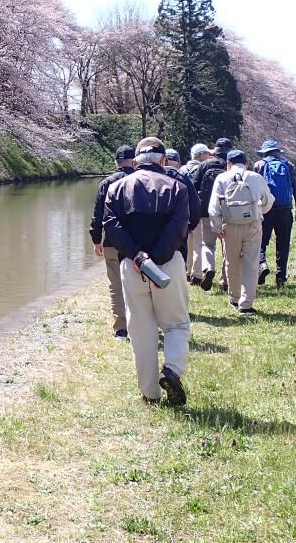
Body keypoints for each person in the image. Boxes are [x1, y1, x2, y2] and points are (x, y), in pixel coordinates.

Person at [103, 137, 191, 405]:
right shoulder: (177, 187)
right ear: (164, 161)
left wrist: (139, 258)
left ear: (135, 162)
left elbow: (112, 226)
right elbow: (179, 229)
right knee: (176, 324)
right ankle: (172, 369)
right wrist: (157, 260)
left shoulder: (116, 189)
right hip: (168, 266)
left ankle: (150, 393)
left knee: (141, 330)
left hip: (131, 265)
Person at [208, 149, 274, 316]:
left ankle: (235, 297)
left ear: (228, 164)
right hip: (253, 224)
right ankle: (246, 304)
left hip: (229, 225)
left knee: (231, 261)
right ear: (246, 163)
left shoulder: (222, 178)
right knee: (251, 263)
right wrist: (259, 213)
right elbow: (269, 200)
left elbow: (213, 208)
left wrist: (217, 227)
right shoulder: (255, 177)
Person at [89, 145, 136, 340]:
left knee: (116, 285)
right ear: (135, 161)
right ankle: (140, 325)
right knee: (137, 284)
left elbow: (98, 213)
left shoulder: (106, 183)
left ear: (115, 163)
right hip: (136, 241)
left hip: (111, 240)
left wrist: (96, 239)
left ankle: (121, 329)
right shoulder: (139, 180)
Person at [253, 140, 296, 287]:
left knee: (260, 241)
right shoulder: (288, 165)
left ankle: (262, 265)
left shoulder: (259, 165)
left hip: (265, 209)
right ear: (278, 151)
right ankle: (281, 277)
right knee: (283, 243)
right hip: (285, 210)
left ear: (265, 152)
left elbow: (253, 189)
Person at [194, 138, 233, 291]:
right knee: (227, 246)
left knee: (207, 244)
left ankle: (209, 267)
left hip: (206, 211)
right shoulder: (229, 166)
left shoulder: (204, 165)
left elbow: (194, 186)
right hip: (226, 211)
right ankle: (225, 280)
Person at [180, 143, 212, 284]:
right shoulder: (203, 169)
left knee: (186, 242)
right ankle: (197, 275)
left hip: (182, 212)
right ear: (200, 155)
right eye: (206, 153)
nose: (209, 156)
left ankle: (186, 271)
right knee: (198, 244)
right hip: (197, 212)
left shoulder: (182, 169)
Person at [165, 149, 200, 265]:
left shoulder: (151, 176)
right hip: (179, 229)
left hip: (155, 230)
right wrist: (191, 225)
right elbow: (195, 205)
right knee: (178, 262)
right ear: (179, 163)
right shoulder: (182, 179)